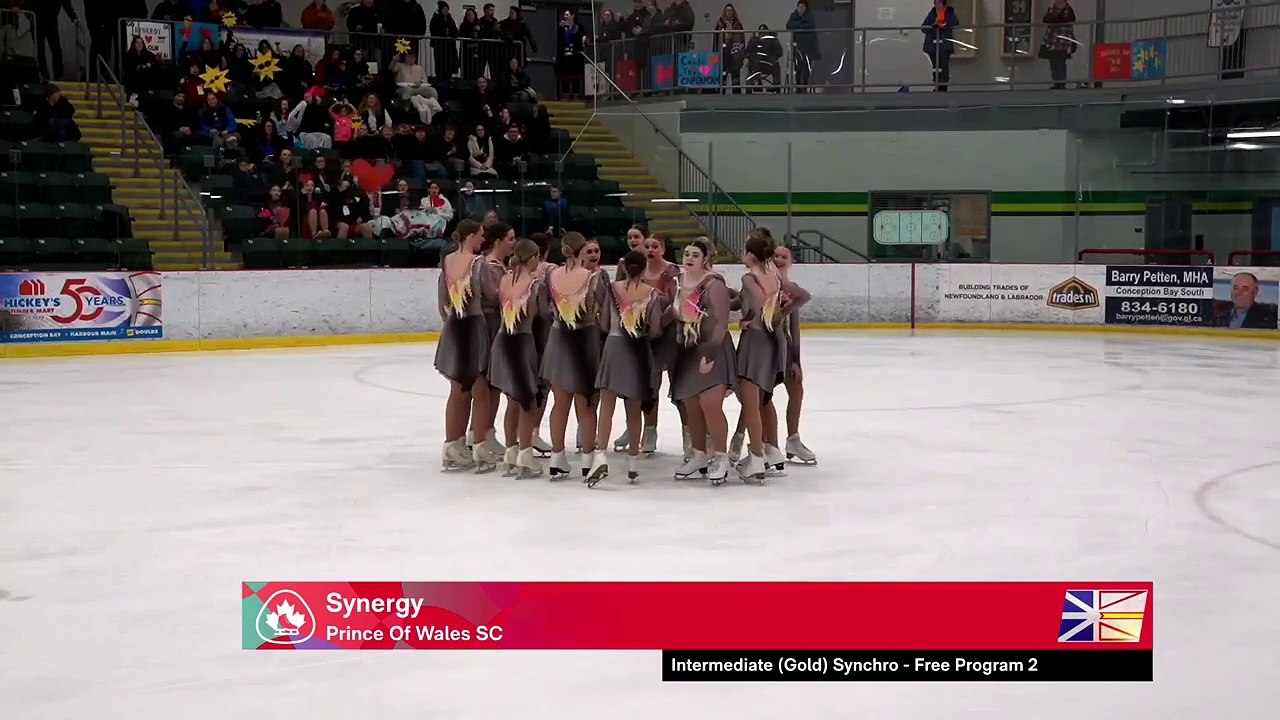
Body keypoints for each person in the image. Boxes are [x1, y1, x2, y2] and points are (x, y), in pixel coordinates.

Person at [731, 234, 810, 481]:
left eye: (744, 251)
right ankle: (768, 451)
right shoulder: (776, 276)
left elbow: (758, 300)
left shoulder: (749, 277)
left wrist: (753, 318)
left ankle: (756, 456)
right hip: (772, 341)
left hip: (754, 341)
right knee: (759, 399)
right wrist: (779, 313)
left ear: (751, 255)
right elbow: (803, 296)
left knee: (750, 400)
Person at [589, 250, 670, 486]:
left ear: (624, 267)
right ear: (644, 269)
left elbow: (603, 323)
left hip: (614, 348)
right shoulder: (652, 294)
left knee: (607, 406)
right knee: (633, 411)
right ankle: (633, 463)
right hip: (637, 351)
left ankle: (600, 455)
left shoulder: (613, 289)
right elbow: (655, 330)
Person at [669, 238, 736, 484]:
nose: (689, 258)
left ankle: (720, 457)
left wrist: (711, 353)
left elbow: (721, 322)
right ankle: (698, 455)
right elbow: (676, 314)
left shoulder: (714, 283)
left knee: (710, 403)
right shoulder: (679, 283)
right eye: (686, 253)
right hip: (688, 349)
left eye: (695, 254)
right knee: (690, 404)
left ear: (706, 258)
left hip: (712, 348)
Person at [540, 232, 605, 478]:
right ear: (580, 250)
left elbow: (547, 308)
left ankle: (557, 457)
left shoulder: (551, 275)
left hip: (559, 338)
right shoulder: (592, 278)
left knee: (560, 402)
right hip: (584, 338)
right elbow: (600, 309)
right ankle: (588, 459)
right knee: (586, 404)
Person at [488, 237, 549, 477]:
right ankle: (525, 454)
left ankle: (511, 451)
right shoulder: (535, 284)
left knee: (512, 400)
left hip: (502, 342)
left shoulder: (504, 279)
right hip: (522, 342)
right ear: (534, 258)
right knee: (527, 402)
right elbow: (543, 313)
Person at [435, 219, 493, 469]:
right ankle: (480, 447)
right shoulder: (478, 263)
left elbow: (443, 300)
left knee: (458, 389)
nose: (483, 240)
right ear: (470, 236)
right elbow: (491, 293)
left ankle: (452, 445)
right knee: (481, 391)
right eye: (480, 235)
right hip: (473, 326)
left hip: (454, 325)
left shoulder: (447, 261)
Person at [468, 221, 517, 471]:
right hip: (490, 324)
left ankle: (482, 431)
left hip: (497, 323)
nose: (513, 243)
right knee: (489, 383)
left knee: (493, 384)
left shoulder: (498, 266)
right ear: (497, 242)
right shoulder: (490, 266)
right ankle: (482, 432)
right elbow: (495, 295)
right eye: (510, 238)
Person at [774, 244, 816, 464]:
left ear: (790, 262)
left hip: (786, 350)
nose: (779, 259)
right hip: (765, 348)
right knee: (757, 397)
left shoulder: (794, 289)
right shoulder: (762, 283)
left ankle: (793, 439)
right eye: (775, 255)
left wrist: (795, 361)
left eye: (784, 256)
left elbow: (794, 329)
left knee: (796, 390)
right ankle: (742, 439)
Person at [1214, 272, 1279, 329]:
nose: (1238, 293)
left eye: (1245, 289)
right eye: (1235, 288)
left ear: (1255, 292)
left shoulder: (1268, 318)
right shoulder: (1220, 318)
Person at [921, 0, 959, 92]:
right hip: (932, 46)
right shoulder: (932, 13)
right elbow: (924, 27)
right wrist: (933, 26)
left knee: (944, 67)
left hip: (944, 46)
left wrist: (945, 26)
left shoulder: (949, 13)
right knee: (935, 67)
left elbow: (955, 23)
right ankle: (936, 84)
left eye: (939, 3)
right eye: (935, 3)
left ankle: (943, 87)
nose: (937, 5)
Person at [34, 0, 76, 80]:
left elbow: (66, 4)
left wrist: (73, 17)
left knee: (54, 48)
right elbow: (66, 4)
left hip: (48, 18)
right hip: (40, 17)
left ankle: (55, 74)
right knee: (43, 48)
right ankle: (46, 73)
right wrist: (73, 17)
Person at [1039, 0, 1076, 90]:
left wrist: (1056, 17)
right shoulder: (1052, 9)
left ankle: (1061, 83)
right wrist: (1056, 17)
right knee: (1054, 63)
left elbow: (1069, 18)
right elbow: (1046, 19)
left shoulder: (1068, 10)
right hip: (1052, 40)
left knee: (1060, 62)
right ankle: (1057, 83)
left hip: (1062, 41)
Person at [785, 1, 819, 91]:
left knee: (807, 67)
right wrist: (802, 24)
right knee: (798, 66)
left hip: (808, 46)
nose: (800, 9)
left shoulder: (810, 16)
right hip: (797, 46)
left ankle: (804, 85)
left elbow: (810, 25)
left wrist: (798, 26)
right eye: (799, 7)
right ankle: (798, 86)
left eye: (802, 7)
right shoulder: (794, 15)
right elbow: (789, 25)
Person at [555, 9, 586, 100]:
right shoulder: (561, 28)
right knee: (565, 77)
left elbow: (582, 37)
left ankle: (576, 95)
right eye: (564, 14)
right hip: (564, 56)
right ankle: (565, 95)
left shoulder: (579, 27)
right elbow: (559, 41)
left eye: (567, 14)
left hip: (576, 56)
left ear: (572, 16)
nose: (565, 16)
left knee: (576, 77)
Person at [716, 5, 746, 93]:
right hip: (723, 51)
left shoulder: (737, 24)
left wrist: (741, 52)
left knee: (735, 74)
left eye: (730, 10)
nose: (729, 12)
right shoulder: (720, 23)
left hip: (735, 50)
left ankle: (736, 94)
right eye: (727, 10)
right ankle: (721, 93)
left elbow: (741, 38)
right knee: (723, 73)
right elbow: (716, 39)